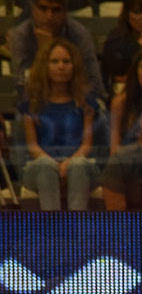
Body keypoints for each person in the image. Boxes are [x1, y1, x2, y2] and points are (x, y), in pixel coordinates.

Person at [19, 38, 100, 211]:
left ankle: (78, 225)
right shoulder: (31, 105)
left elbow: (87, 145)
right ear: (45, 66)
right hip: (41, 166)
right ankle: (53, 225)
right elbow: (32, 146)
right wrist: (55, 166)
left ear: (74, 66)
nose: (61, 66)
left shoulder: (86, 103)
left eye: (66, 61)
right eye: (54, 61)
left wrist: (67, 164)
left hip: (79, 164)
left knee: (78, 165)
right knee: (45, 166)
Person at [7, 0, 106, 103]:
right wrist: (45, 52)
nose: (49, 16)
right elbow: (25, 88)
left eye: (56, 10)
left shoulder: (79, 34)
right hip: (35, 104)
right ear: (33, 9)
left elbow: (94, 85)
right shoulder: (20, 36)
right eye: (43, 9)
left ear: (65, 12)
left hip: (75, 103)